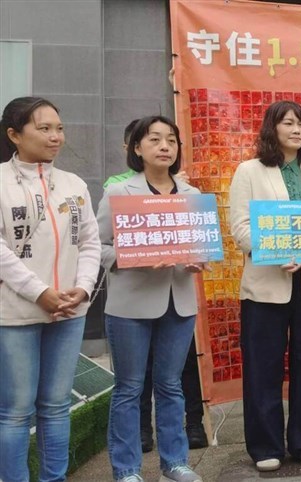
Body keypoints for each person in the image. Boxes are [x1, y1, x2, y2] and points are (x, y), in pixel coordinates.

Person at [229, 100, 301, 472]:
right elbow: (240, 226)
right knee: (263, 366)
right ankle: (265, 446)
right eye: (288, 123)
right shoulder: (250, 171)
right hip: (265, 285)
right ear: (271, 128)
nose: (296, 129)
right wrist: (274, 252)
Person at [97, 116, 205, 482]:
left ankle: (175, 462)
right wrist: (133, 259)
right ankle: (127, 469)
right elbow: (98, 247)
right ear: (136, 148)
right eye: (154, 139)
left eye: (171, 140)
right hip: (131, 304)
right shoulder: (119, 193)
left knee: (171, 385)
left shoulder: (192, 196)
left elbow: (201, 247)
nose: (164, 146)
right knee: (129, 388)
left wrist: (198, 260)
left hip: (179, 302)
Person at [0, 96, 101, 482]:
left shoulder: (73, 184)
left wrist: (83, 287)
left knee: (56, 405)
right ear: (14, 134)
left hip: (69, 311)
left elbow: (90, 243)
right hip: (16, 313)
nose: (55, 136)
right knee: (15, 411)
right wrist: (39, 291)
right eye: (44, 128)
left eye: (58, 128)